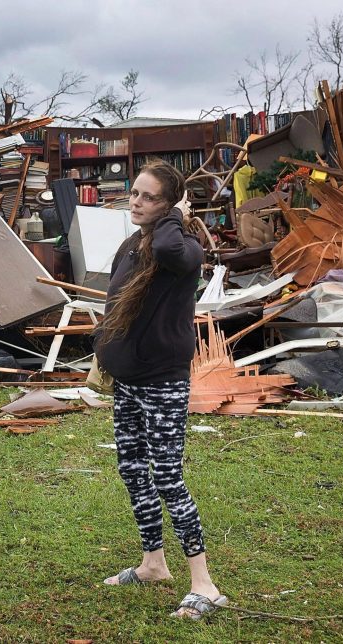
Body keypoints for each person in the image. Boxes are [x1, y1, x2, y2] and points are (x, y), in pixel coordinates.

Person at [93, 160, 227, 620]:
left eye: (149, 197)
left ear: (169, 204)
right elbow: (115, 299)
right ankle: (153, 563)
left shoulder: (183, 246)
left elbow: (171, 246)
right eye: (134, 193)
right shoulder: (134, 243)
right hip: (129, 379)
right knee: (132, 468)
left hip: (163, 381)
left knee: (168, 476)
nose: (136, 201)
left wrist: (176, 215)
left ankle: (204, 584)